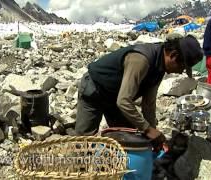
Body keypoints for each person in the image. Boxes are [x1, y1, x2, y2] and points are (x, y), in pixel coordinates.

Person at [75, 34, 203, 145]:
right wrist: (147, 130)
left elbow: (148, 104)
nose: (181, 71)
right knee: (85, 143)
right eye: (182, 66)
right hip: (94, 90)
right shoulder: (141, 60)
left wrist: (153, 132)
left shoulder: (160, 67)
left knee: (129, 138)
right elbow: (124, 101)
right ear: (173, 55)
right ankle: (78, 170)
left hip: (114, 97)